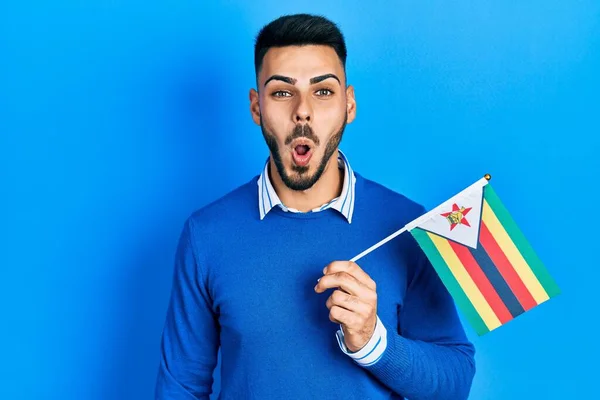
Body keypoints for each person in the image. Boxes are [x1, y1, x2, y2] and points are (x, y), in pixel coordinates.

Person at [155, 13, 475, 400]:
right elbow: (181, 389)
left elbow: (455, 381)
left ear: (349, 104)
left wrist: (374, 343)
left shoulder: (405, 225)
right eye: (282, 92)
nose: (302, 111)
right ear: (256, 107)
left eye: (322, 91)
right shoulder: (205, 235)